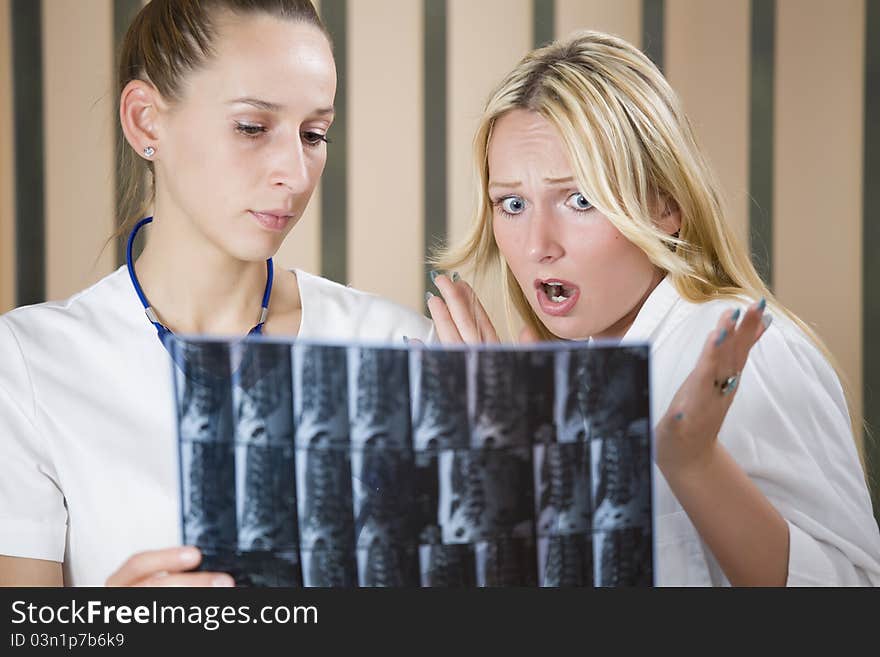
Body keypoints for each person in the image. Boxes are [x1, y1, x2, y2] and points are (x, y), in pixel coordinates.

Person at [0, 0, 432, 587]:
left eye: (314, 134)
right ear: (146, 121)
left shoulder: (399, 347)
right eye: (252, 127)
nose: (296, 173)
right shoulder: (28, 365)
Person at [427, 30, 880, 585]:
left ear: (664, 205)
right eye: (513, 204)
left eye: (580, 199)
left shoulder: (746, 351)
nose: (537, 243)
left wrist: (694, 464)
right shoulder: (569, 374)